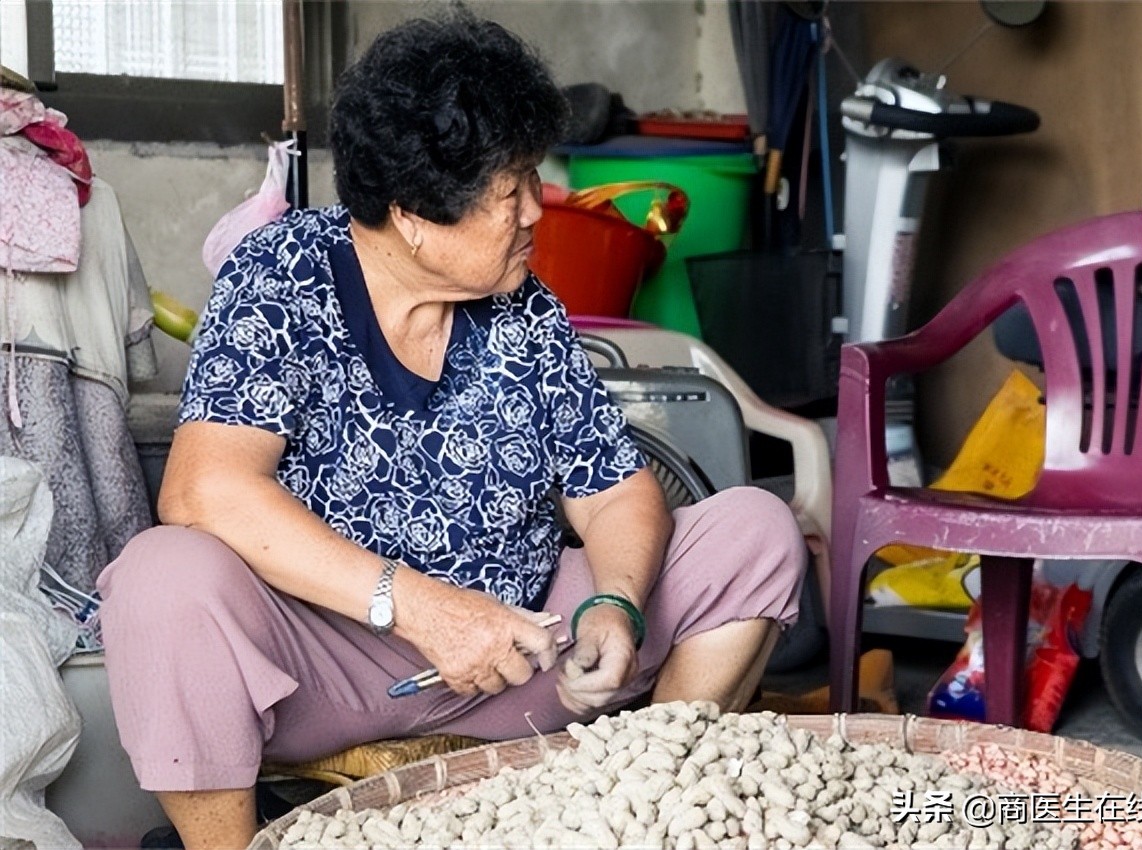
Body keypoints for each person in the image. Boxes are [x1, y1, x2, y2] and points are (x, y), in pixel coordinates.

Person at [97, 12, 806, 848]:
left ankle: (638, 802)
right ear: (412, 216)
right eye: (511, 192)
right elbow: (205, 487)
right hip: (324, 672)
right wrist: (423, 610)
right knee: (160, 576)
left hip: (525, 659)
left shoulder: (524, 305)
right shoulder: (282, 274)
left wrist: (614, 604)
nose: (537, 212)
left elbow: (613, 487)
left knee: (755, 529)